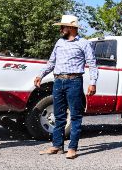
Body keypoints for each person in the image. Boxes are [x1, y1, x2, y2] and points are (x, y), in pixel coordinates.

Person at [34, 14, 97, 160]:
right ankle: (57, 146)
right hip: (58, 81)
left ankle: (72, 148)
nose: (61, 29)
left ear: (71, 27)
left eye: (63, 27)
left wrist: (93, 82)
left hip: (74, 81)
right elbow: (51, 62)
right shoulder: (59, 42)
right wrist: (40, 75)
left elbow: (92, 64)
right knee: (59, 115)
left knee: (75, 115)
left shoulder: (83, 43)